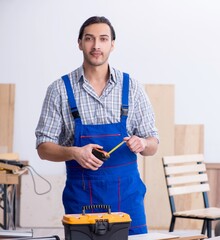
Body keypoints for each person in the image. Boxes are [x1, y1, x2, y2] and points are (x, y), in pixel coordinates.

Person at [35, 16, 159, 235]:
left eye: (103, 39)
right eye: (89, 39)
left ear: (112, 44)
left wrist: (142, 143)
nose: (96, 46)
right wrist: (73, 152)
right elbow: (43, 148)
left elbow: (153, 144)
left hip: (128, 200)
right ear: (80, 43)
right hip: (82, 200)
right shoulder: (60, 90)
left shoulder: (132, 88)